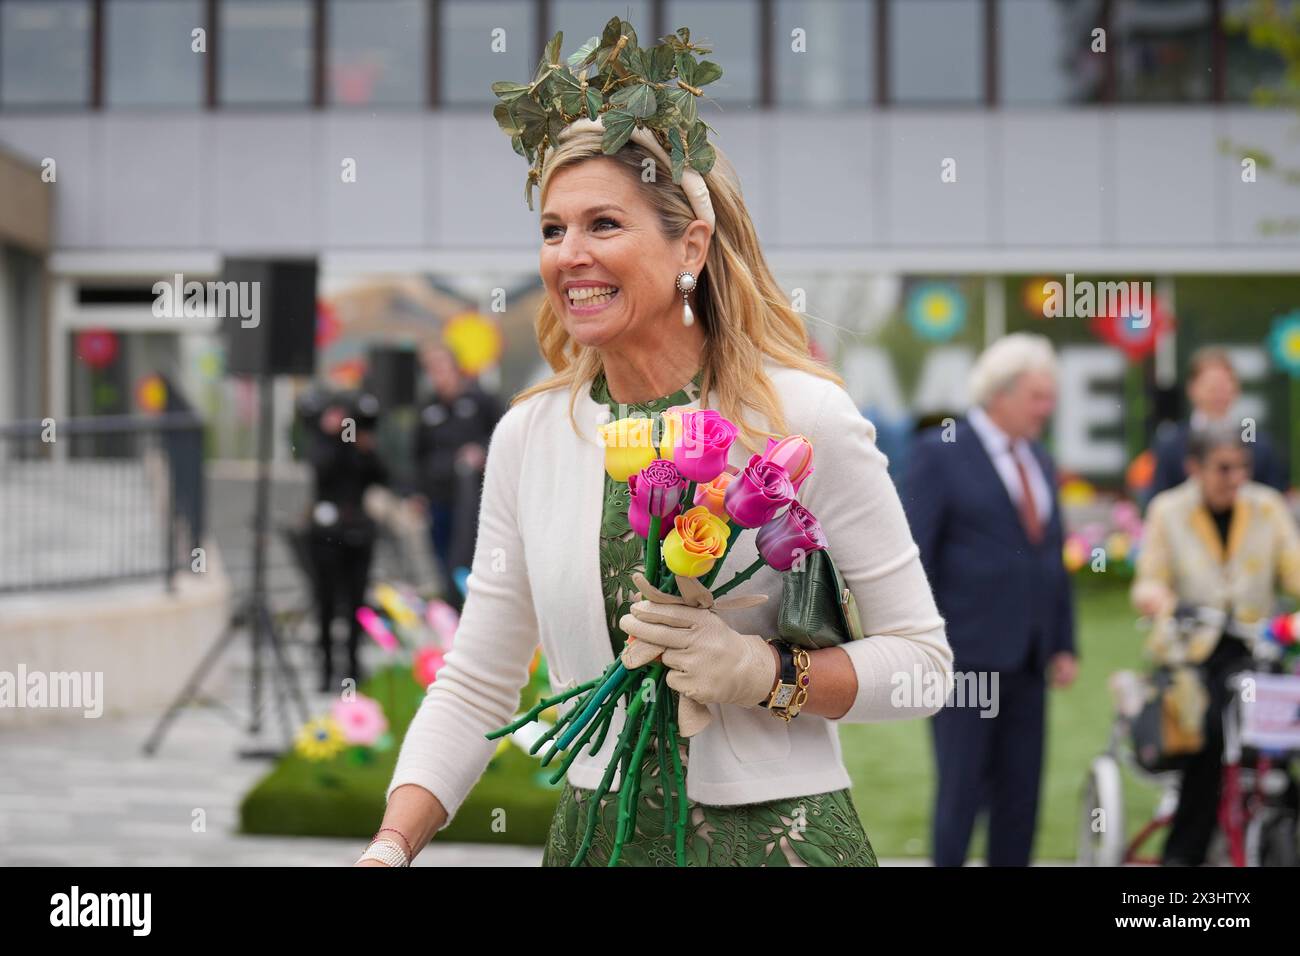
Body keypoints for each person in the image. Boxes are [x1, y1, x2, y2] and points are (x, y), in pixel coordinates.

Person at [357, 17, 952, 868]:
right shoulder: (532, 434)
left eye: (603, 224)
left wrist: (766, 674)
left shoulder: (802, 419)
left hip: (776, 848)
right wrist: (391, 844)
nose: (569, 255)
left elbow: (925, 667)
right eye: (553, 229)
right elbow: (477, 678)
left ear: (691, 247)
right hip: (592, 847)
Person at [902, 333, 1078, 866]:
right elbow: (914, 555)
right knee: (962, 790)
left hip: (1028, 657)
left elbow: (1050, 557)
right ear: (999, 394)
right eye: (1038, 397)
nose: (1048, 408)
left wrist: (1062, 642)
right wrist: (919, 640)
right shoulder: (940, 453)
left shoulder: (1040, 461)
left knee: (1021, 794)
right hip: (966, 657)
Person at [1132, 423, 1300, 865]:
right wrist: (1160, 600)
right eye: (1224, 469)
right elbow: (1149, 580)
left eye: (1243, 468)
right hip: (1194, 653)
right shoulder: (1168, 511)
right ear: (1195, 467)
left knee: (1284, 729)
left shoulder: (1266, 507)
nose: (1235, 479)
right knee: (1208, 736)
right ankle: (1183, 855)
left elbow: (1295, 569)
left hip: (1256, 648)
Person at [306, 392, 389, 693]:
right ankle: (326, 667)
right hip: (326, 536)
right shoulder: (321, 443)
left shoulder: (359, 447)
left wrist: (363, 446)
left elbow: (381, 476)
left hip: (358, 532)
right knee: (326, 603)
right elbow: (322, 470)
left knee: (356, 602)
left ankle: (353, 665)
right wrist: (335, 436)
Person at [411, 343, 501, 612]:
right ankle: (451, 611)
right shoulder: (427, 409)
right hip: (439, 498)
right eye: (431, 369)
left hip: (476, 500)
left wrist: (481, 453)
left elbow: (504, 435)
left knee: (472, 557)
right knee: (443, 560)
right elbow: (417, 454)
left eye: (441, 367)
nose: (437, 374)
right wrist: (415, 493)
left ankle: (477, 610)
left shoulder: (481, 401)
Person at [1149, 346, 1286, 500]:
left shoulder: (1259, 445)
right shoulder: (1171, 445)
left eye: (1224, 384)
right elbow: (1159, 501)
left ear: (1236, 389)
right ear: (1192, 389)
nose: (1218, 393)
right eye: (1211, 386)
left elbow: (1274, 501)